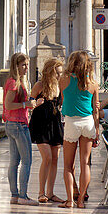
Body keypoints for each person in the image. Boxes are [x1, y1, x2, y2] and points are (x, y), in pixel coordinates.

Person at [59, 49, 100, 208]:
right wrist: (97, 130)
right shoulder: (93, 83)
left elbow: (64, 99)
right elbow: (95, 108)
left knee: (68, 165)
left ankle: (70, 200)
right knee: (85, 164)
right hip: (88, 122)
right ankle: (81, 200)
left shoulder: (64, 79)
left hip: (71, 122)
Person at [3, 52, 37, 205]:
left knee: (14, 161)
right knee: (26, 161)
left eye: (27, 64)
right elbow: (8, 105)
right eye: (23, 65)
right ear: (16, 66)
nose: (26, 68)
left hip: (12, 123)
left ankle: (14, 195)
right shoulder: (13, 83)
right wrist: (26, 105)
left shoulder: (17, 82)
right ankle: (23, 195)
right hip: (18, 124)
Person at [29, 57, 64, 203]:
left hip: (54, 123)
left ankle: (50, 193)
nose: (59, 76)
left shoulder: (60, 86)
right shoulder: (39, 85)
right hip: (40, 124)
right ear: (50, 72)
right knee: (47, 157)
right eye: (57, 73)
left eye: (61, 73)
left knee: (55, 158)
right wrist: (35, 103)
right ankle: (41, 192)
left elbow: (63, 102)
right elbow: (30, 102)